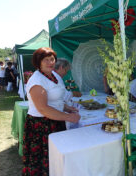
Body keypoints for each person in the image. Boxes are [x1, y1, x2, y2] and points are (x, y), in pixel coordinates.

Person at [22, 47, 80, 176]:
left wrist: (66, 107)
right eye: (46, 60)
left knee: (56, 159)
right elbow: (43, 108)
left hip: (56, 121)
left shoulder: (54, 75)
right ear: (39, 62)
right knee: (42, 162)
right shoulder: (37, 81)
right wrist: (69, 117)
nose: (50, 62)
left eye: (52, 59)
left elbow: (56, 98)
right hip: (41, 125)